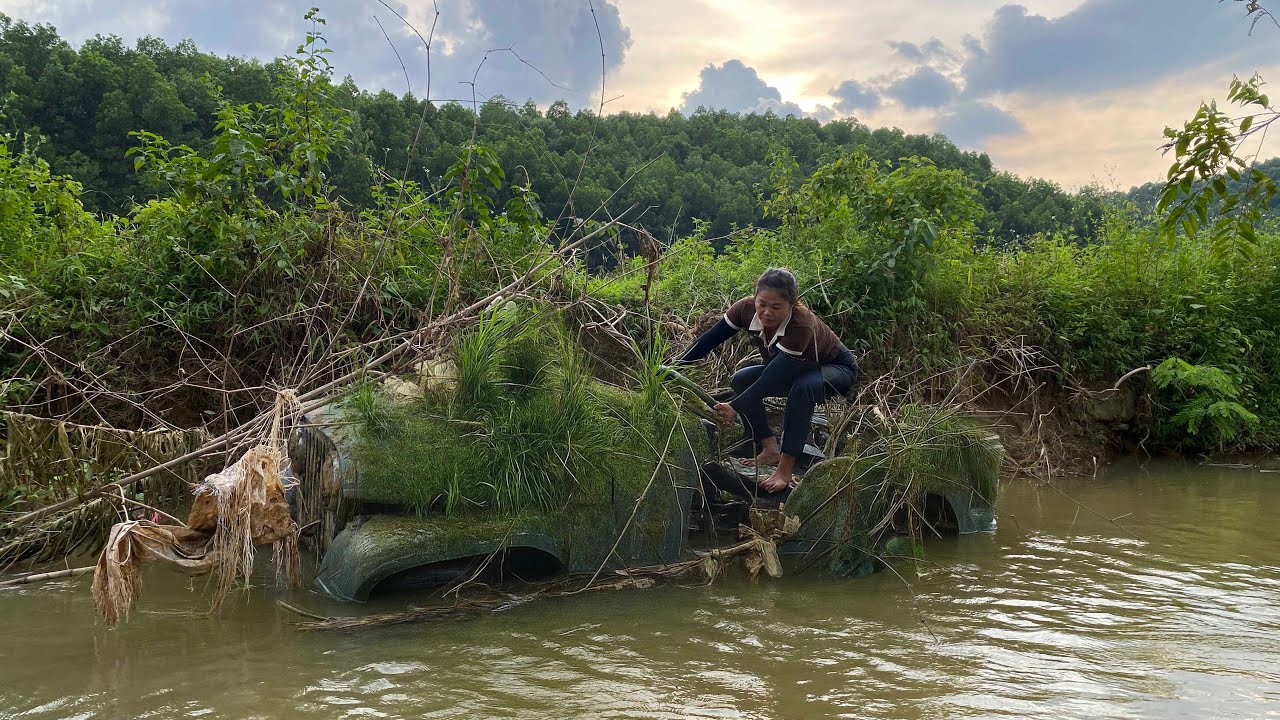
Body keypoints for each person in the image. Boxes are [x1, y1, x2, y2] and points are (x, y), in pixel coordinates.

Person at [675, 268, 858, 492]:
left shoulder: (801, 324)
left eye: (776, 307)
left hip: (835, 368)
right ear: (755, 298)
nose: (767, 313)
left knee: (803, 389)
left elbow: (771, 379)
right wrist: (673, 368)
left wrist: (734, 406)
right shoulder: (745, 308)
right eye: (762, 304)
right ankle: (769, 448)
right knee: (741, 379)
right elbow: (709, 340)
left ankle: (784, 469)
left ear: (792, 304)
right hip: (796, 367)